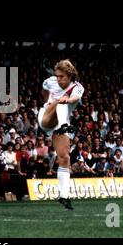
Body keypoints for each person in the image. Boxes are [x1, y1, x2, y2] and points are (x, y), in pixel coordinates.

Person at [38, 59, 84, 210]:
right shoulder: (50, 81)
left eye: (61, 76)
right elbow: (44, 88)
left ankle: (64, 196)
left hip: (60, 124)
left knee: (64, 158)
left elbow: (75, 98)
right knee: (60, 101)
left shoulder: (77, 87)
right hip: (47, 117)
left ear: (70, 75)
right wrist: (47, 101)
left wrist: (67, 99)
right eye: (57, 76)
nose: (58, 79)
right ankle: (65, 125)